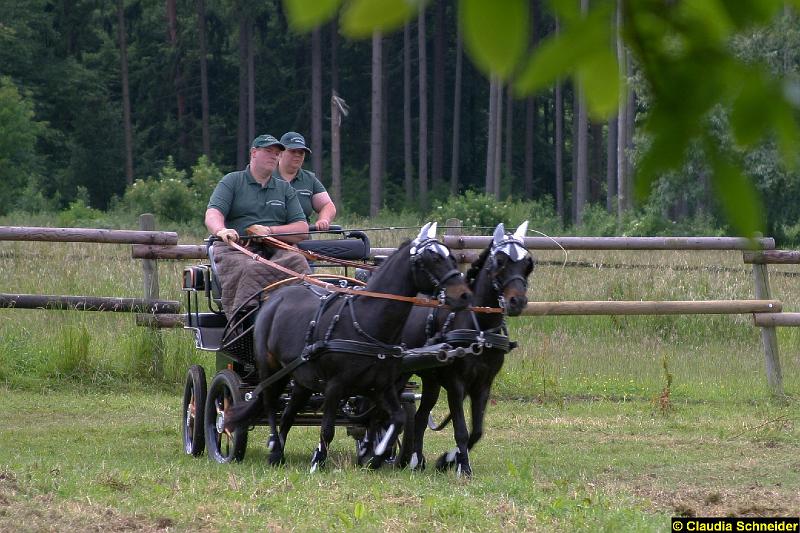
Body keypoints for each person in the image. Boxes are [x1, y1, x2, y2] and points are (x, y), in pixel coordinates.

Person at [205, 134, 310, 319]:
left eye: (277, 153)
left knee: (298, 261)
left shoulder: (284, 189)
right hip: (236, 249)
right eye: (268, 151)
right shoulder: (232, 181)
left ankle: (300, 316)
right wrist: (221, 230)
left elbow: (302, 229)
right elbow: (213, 213)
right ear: (253, 153)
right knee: (251, 267)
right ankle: (244, 321)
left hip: (276, 248)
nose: (274, 156)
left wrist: (270, 231)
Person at [274, 131, 336, 230]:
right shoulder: (267, 176)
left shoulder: (309, 179)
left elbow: (327, 205)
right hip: (271, 237)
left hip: (301, 238)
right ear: (280, 153)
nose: (297, 155)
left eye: (301, 152)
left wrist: (323, 220)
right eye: (293, 151)